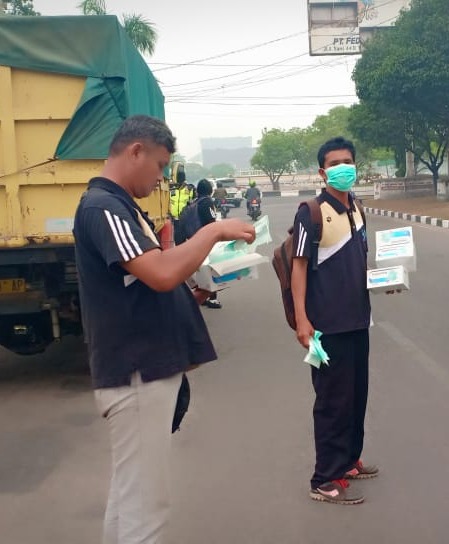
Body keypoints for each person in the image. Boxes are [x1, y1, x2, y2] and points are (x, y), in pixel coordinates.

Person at [73, 115, 255, 544]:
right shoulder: (103, 206)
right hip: (137, 370)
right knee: (146, 507)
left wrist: (186, 293)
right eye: (158, 166)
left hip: (138, 367)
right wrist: (213, 231)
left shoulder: (119, 208)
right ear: (135, 151)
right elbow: (157, 273)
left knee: (129, 497)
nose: (159, 180)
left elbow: (141, 282)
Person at [291, 137, 378, 506]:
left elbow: (360, 262)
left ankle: (349, 461)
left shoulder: (357, 209)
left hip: (359, 321)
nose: (344, 167)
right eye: (335, 163)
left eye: (348, 161)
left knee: (357, 397)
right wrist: (302, 320)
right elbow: (299, 268)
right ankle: (324, 478)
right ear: (323, 171)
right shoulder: (310, 212)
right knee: (332, 402)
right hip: (327, 328)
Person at [194, 179, 222, 309]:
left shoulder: (195, 202)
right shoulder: (207, 202)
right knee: (211, 268)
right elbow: (211, 221)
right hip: (206, 239)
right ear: (210, 190)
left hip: (195, 239)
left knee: (201, 269)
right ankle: (212, 298)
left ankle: (203, 296)